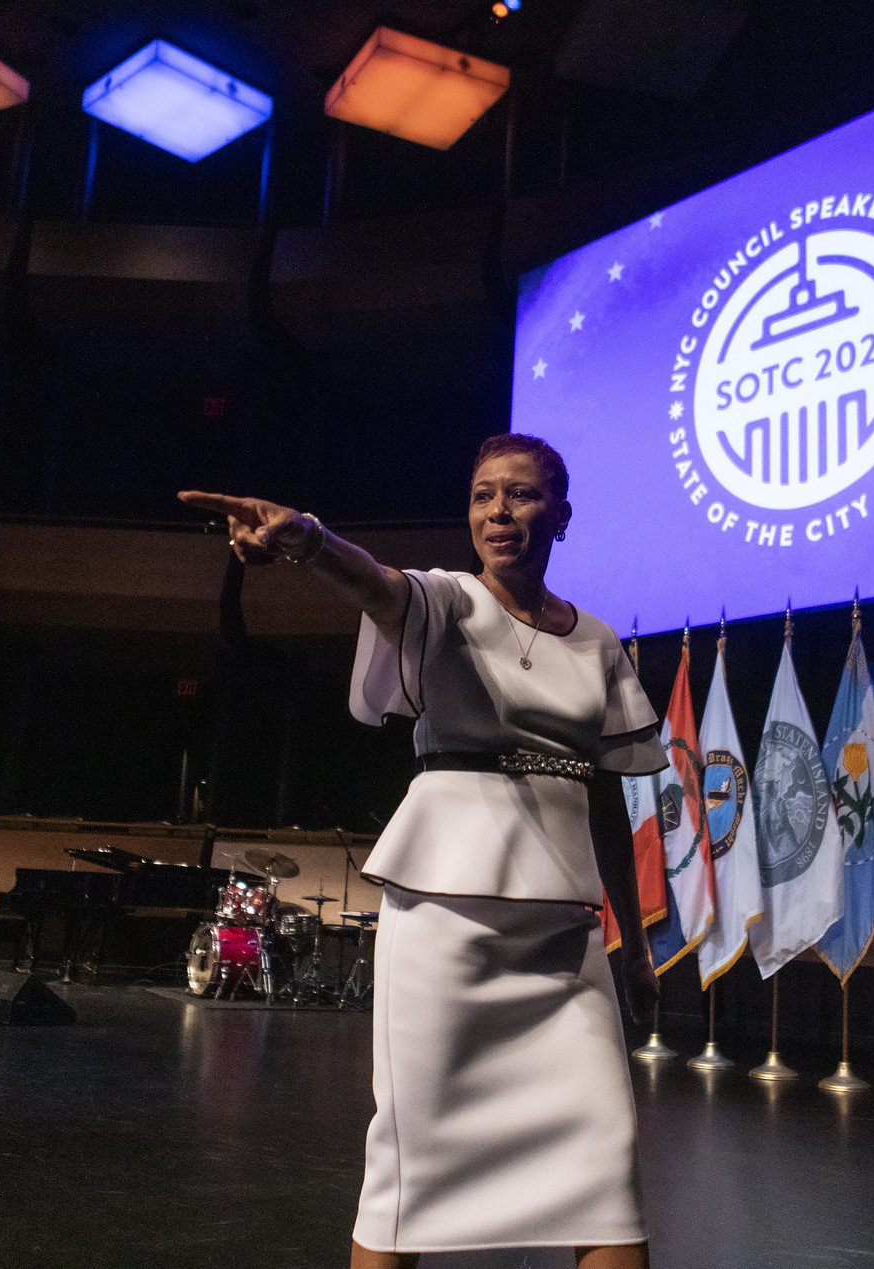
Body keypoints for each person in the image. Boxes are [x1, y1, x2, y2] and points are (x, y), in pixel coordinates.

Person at [181, 433, 665, 1269]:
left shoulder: (597, 641)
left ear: (561, 514)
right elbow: (376, 584)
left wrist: (639, 946)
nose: (499, 511)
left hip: (564, 938)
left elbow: (606, 802)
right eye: (482, 495)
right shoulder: (447, 601)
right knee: (413, 1163)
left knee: (606, 1166)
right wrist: (307, 538)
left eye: (521, 493)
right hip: (445, 920)